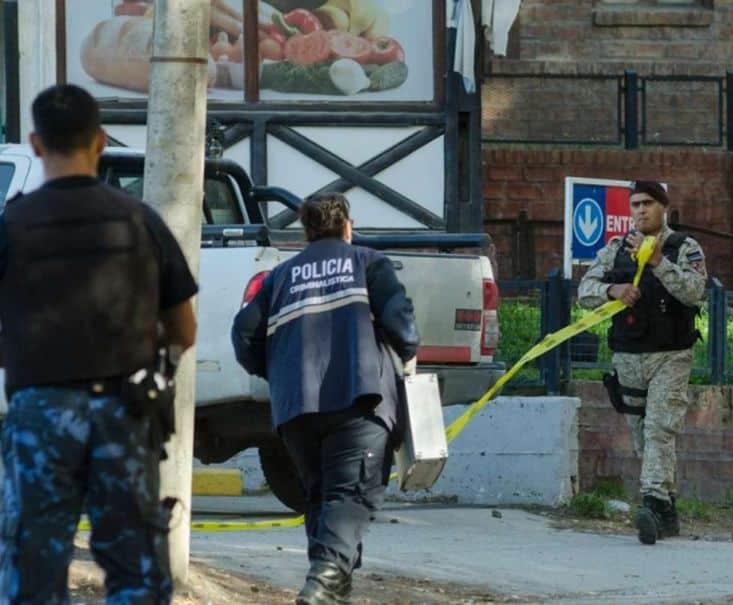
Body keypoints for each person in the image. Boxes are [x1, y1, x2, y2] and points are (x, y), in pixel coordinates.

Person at [0, 84, 198, 603]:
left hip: (39, 412)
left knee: (33, 566)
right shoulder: (139, 221)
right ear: (101, 141)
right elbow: (184, 329)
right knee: (136, 571)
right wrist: (163, 366)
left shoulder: (11, 224)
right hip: (125, 411)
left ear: (35, 143)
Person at [231, 192, 419, 605]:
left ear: (306, 232)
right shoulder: (368, 262)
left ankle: (332, 591)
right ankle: (322, 583)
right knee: (349, 496)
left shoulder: (279, 277)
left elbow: (244, 335)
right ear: (347, 227)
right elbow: (401, 323)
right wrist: (406, 354)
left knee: (320, 500)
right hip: (358, 399)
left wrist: (276, 370)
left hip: (295, 407)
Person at [578, 180, 707, 545]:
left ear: (663, 206)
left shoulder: (684, 248)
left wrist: (658, 264)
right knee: (641, 436)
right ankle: (667, 509)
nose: (640, 210)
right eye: (635, 204)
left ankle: (649, 503)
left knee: (660, 429)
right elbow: (584, 291)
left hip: (672, 355)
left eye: (648, 203)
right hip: (629, 356)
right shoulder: (617, 248)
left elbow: (695, 291)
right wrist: (611, 290)